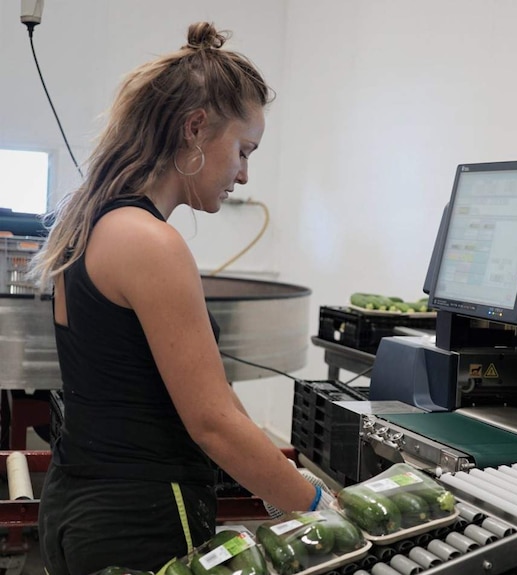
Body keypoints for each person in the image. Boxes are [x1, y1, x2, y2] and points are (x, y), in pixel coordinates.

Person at [30, 22, 327, 574]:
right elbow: (211, 422)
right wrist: (316, 506)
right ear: (194, 129)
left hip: (79, 504)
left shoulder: (96, 219)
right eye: (243, 150)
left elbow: (209, 392)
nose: (243, 173)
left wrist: (280, 481)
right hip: (141, 518)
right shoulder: (150, 241)